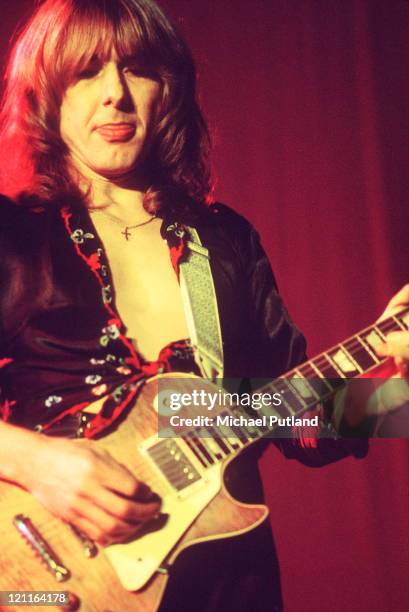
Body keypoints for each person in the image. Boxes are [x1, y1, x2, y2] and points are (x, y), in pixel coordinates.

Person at [0, 1, 407, 610]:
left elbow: (288, 418)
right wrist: (35, 461)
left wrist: (393, 390)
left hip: (226, 583)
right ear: (46, 93)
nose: (115, 93)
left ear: (170, 87)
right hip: (39, 580)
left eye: (137, 69)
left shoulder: (225, 241)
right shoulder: (14, 237)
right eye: (87, 71)